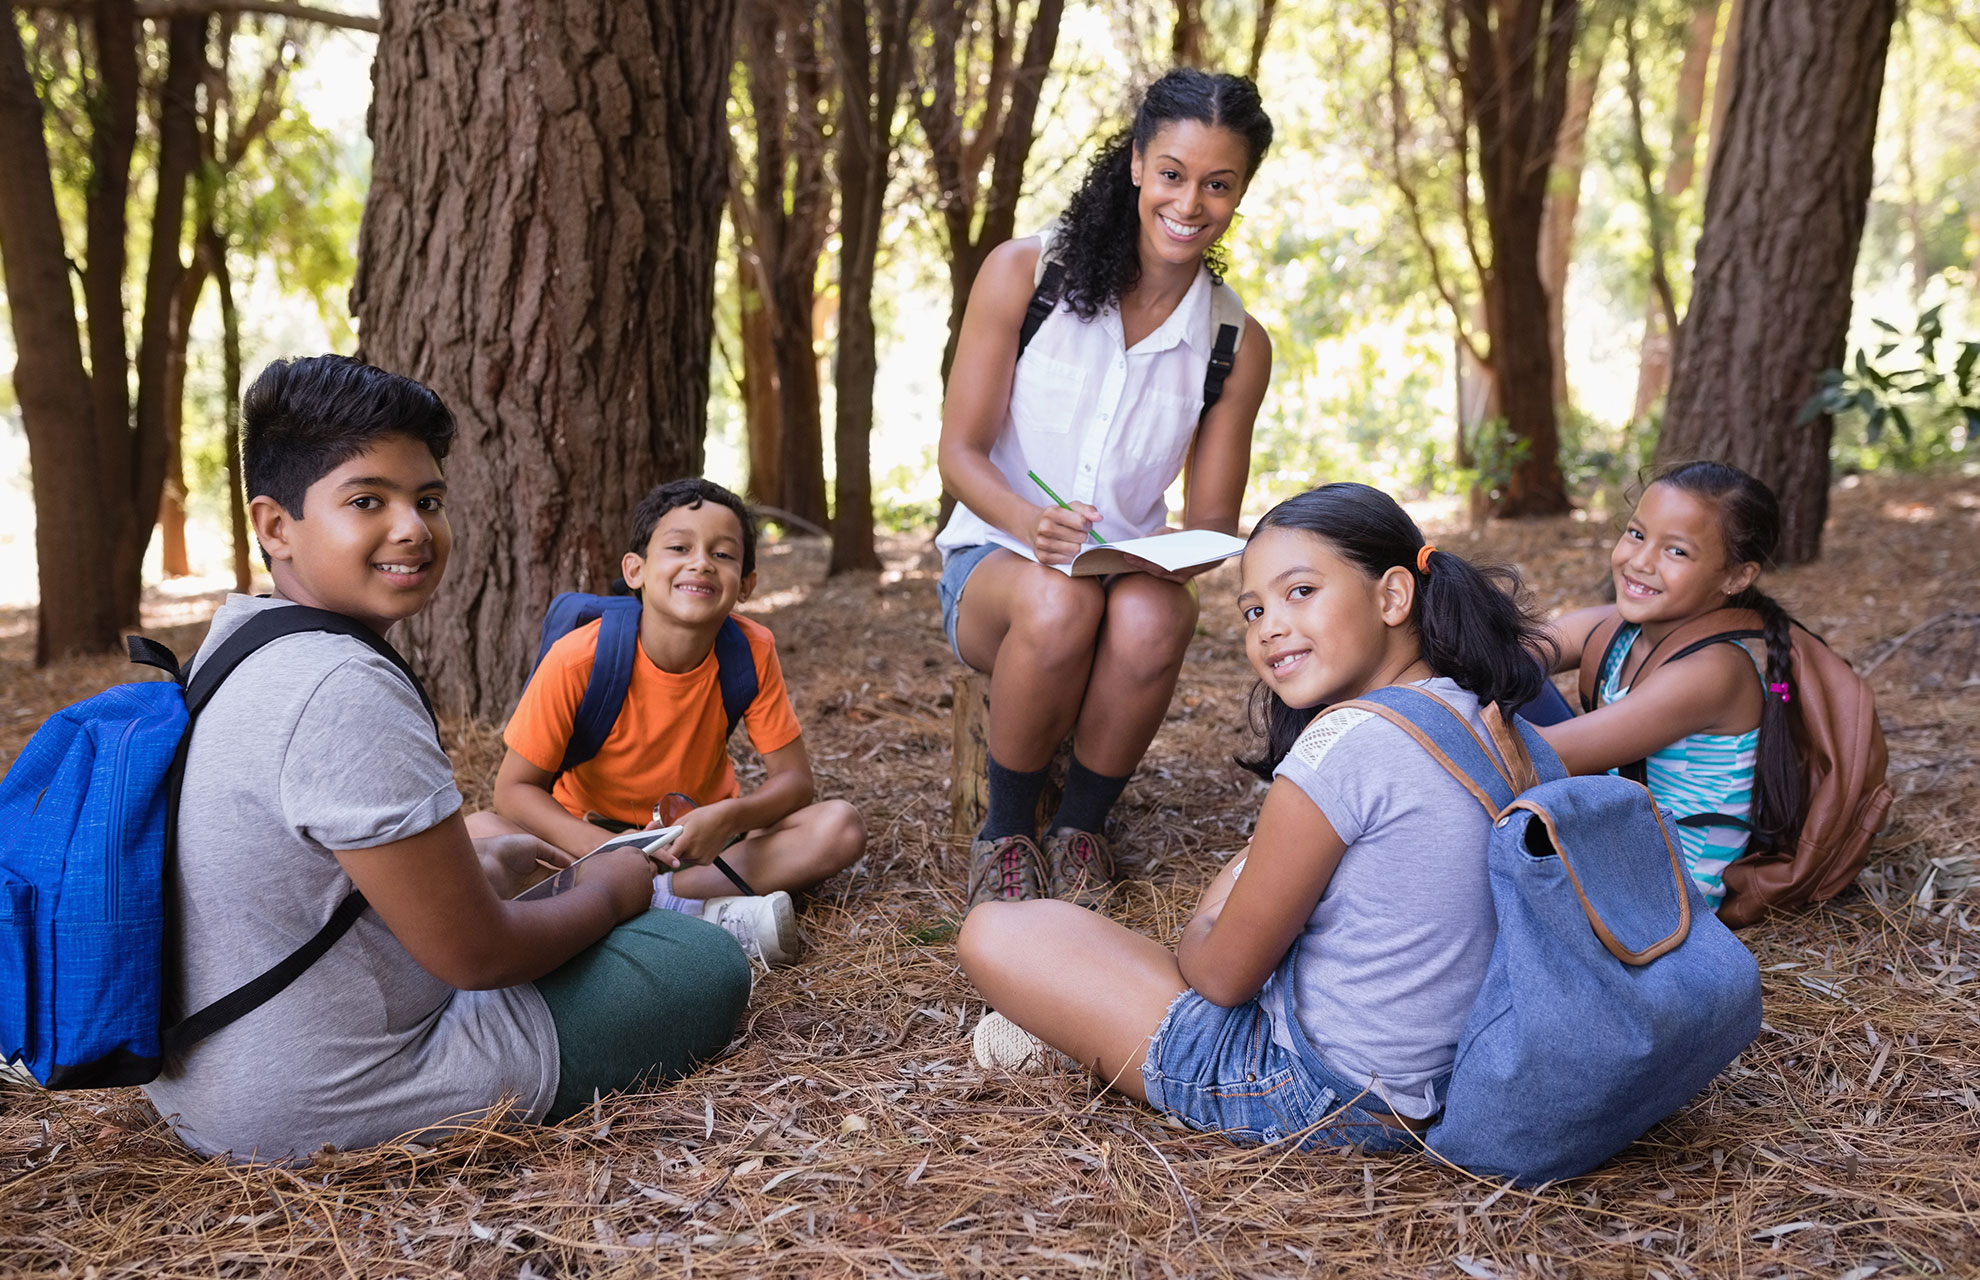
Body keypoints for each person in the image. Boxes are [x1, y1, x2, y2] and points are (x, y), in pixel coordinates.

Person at [143, 356, 752, 1163]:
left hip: (204, 1077)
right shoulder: (341, 685)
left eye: (428, 500)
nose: (412, 528)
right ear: (275, 525)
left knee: (515, 871)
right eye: (368, 501)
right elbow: (478, 955)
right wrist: (607, 891)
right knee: (700, 961)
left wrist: (483, 873)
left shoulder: (237, 645)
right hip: (321, 1098)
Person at [958, 483, 1550, 1150]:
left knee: (996, 931)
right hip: (1453, 1080)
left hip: (1312, 1092)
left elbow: (1219, 976)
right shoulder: (1480, 714)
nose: (1269, 625)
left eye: (1301, 592)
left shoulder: (1341, 746)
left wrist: (1205, 921)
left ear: (1392, 596)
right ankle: (1076, 1027)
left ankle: (1067, 1033)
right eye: (1252, 609)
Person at [936, 68, 1276, 910]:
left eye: (1217, 184)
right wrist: (1032, 522)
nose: (1189, 203)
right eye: (1172, 173)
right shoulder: (1025, 275)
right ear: (1135, 165)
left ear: (1239, 192)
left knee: (1159, 610)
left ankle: (1081, 828)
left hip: (1125, 579)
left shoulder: (1234, 342)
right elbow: (960, 452)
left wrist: (1168, 558)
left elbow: (1208, 521)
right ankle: (1006, 834)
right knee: (1059, 601)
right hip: (996, 561)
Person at [485, 478, 865, 967]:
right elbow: (513, 791)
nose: (701, 562)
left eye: (723, 554)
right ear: (636, 569)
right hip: (586, 841)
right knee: (479, 832)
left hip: (696, 845)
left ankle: (648, 902)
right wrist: (609, 851)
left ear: (747, 584)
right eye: (679, 547)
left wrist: (728, 816)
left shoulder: (749, 650)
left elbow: (794, 782)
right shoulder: (580, 659)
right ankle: (686, 911)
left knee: (840, 828)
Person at [1535, 460, 1801, 906]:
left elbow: (1543, 756)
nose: (1640, 561)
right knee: (1500, 680)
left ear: (1736, 577)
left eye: (1676, 551)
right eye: (1637, 534)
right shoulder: (1613, 628)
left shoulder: (1713, 672)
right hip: (1617, 832)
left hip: (1660, 889)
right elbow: (1501, 657)